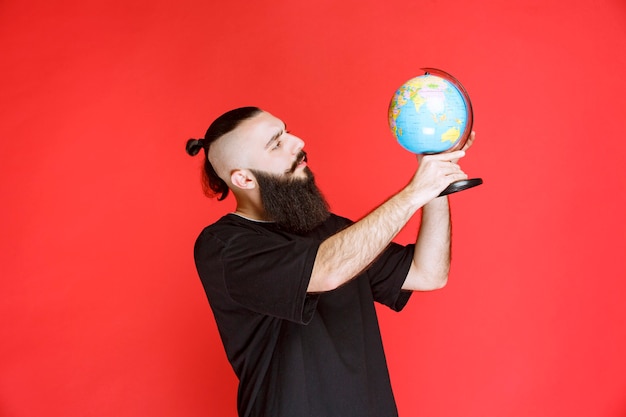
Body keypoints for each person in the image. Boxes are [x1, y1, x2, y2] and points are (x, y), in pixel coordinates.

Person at [185, 106, 473, 417]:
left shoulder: (330, 229)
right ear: (243, 178)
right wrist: (415, 192)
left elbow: (427, 273)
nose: (298, 142)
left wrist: (437, 187)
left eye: (287, 131)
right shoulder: (226, 246)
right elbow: (326, 271)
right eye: (277, 143)